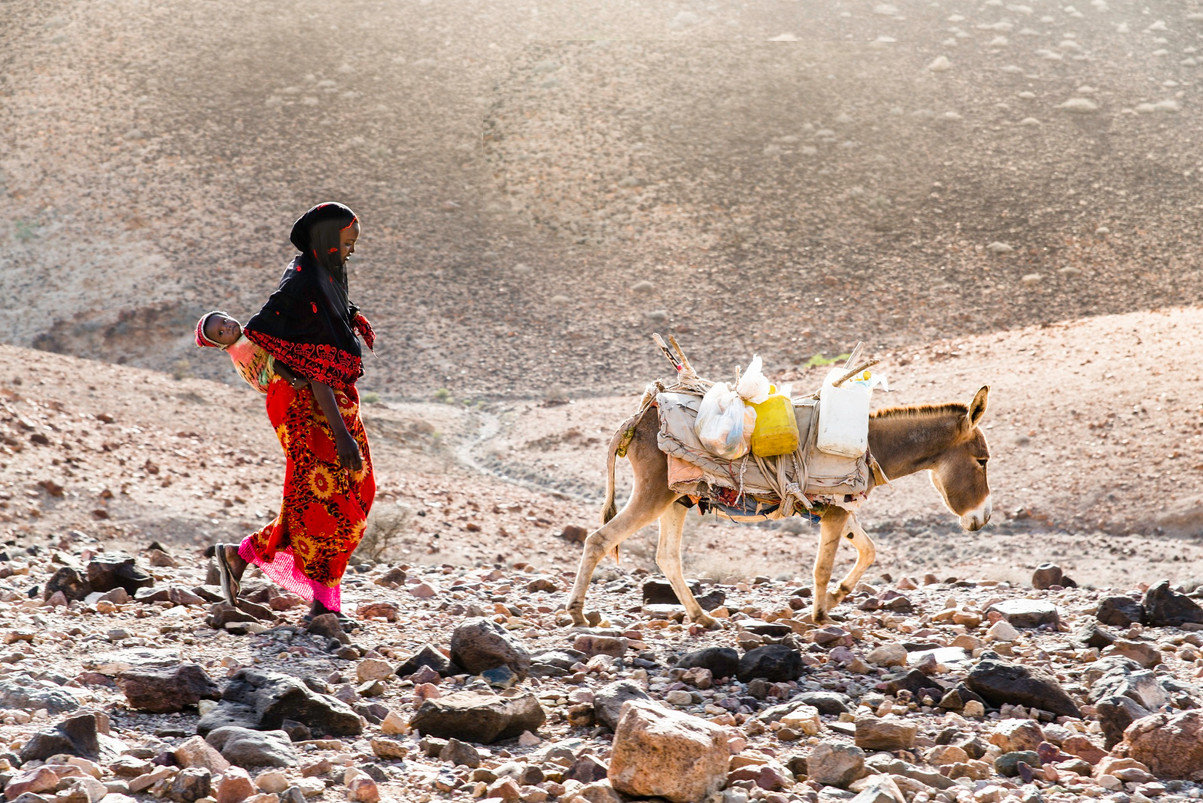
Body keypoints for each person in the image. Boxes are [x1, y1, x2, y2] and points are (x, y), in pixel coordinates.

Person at [210, 202, 377, 627]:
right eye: (347, 242)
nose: (352, 251)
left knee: (345, 493)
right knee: (325, 497)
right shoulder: (303, 283)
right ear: (327, 240)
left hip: (328, 399)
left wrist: (352, 316)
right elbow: (310, 364)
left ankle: (242, 554)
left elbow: (325, 336)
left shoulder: (324, 275)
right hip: (305, 402)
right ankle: (324, 602)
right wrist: (341, 436)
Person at [194, 310, 307, 393]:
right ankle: (294, 380)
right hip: (268, 378)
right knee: (276, 354)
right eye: (221, 333)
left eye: (224, 321)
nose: (226, 328)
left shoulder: (250, 331)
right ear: (221, 345)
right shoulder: (242, 347)